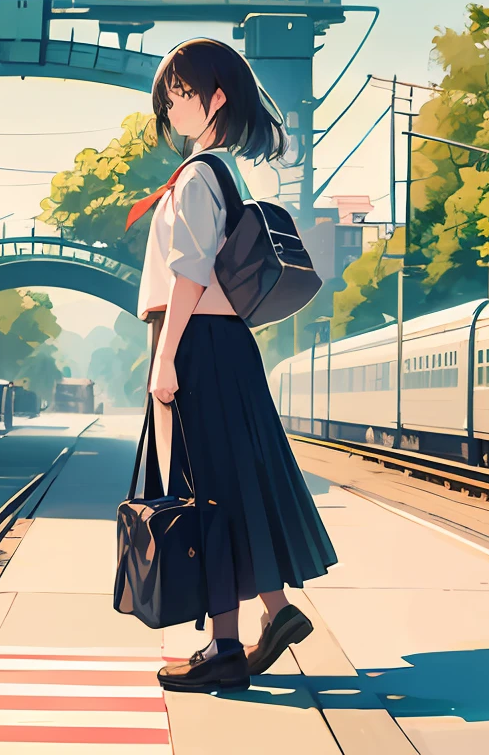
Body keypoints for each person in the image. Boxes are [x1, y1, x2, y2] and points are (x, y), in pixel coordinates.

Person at [126, 37, 338, 693]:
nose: (172, 106)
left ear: (216, 97)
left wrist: (165, 359)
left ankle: (223, 648)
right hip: (227, 346)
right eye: (169, 97)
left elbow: (187, 275)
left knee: (203, 494)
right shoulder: (227, 173)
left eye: (181, 94)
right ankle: (275, 613)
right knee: (230, 487)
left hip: (196, 344)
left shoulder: (196, 177)